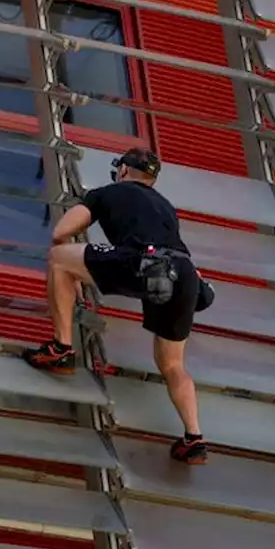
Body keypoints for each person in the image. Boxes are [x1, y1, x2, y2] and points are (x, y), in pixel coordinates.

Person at [23, 147, 215, 465]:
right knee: (172, 365)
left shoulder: (108, 193)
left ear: (124, 170)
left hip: (141, 262)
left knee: (60, 260)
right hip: (184, 274)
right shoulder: (166, 207)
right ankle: (194, 438)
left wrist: (79, 272)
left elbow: (61, 232)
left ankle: (61, 349)